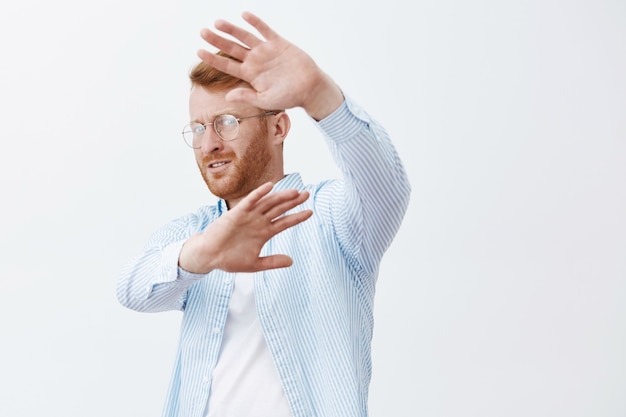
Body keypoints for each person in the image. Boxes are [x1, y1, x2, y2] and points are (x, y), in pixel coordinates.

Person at [117, 11, 410, 417]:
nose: (209, 145)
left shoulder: (329, 216)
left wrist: (320, 95)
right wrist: (202, 254)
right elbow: (131, 289)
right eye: (199, 128)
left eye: (227, 122)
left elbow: (386, 188)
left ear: (278, 128)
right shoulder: (195, 232)